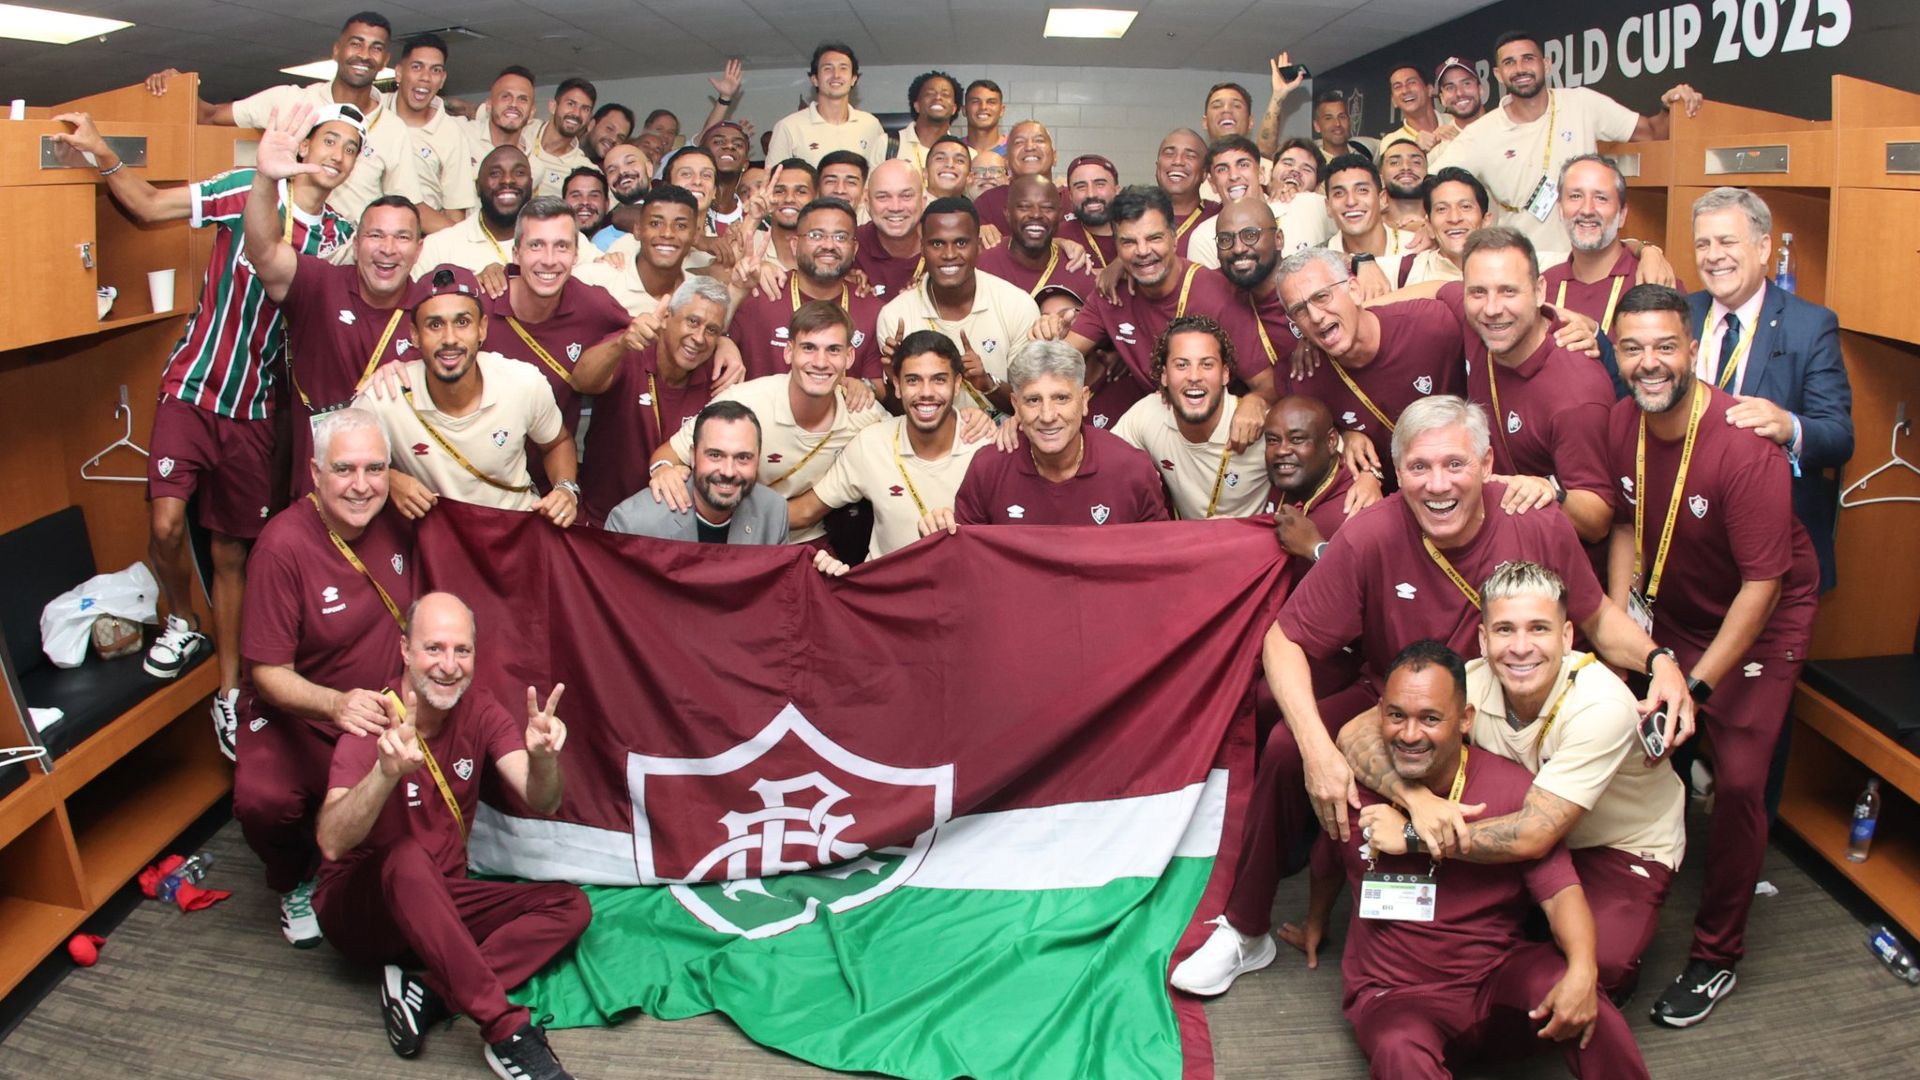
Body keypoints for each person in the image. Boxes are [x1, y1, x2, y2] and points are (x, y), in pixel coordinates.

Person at [1176, 396, 1691, 998]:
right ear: (1397, 474)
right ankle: (1245, 929)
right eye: (1419, 468)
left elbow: (1596, 616)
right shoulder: (1370, 533)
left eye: (1455, 464)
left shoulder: (1534, 520)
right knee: (1291, 747)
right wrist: (1319, 753)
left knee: (1591, 942)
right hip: (1394, 702)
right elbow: (1283, 642)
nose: (1437, 484)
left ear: (1487, 464)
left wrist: (1661, 662)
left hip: (1490, 710)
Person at [50, 104, 360, 756]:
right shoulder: (239, 188)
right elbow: (144, 205)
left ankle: (227, 696)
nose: (337, 154)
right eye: (329, 139)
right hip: (189, 390)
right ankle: (184, 619)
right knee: (165, 525)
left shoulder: (340, 236)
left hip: (256, 411)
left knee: (230, 554)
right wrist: (102, 146)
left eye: (351, 148)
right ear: (304, 145)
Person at [1605, 283, 1820, 1029]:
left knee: (1736, 781)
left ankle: (1716, 955)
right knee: (1625, 746)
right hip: (1676, 611)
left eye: (1665, 345)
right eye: (1632, 348)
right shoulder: (1620, 423)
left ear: (1693, 350)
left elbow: (1764, 584)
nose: (1649, 362)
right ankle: (1613, 927)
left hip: (1762, 621)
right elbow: (1628, 523)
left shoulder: (1740, 446)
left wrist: (1692, 683)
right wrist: (1626, 624)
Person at [1337, 561, 1687, 999]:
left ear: (1566, 636)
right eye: (1504, 630)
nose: (1521, 648)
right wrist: (1415, 798)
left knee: (1603, 965)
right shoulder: (1472, 680)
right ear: (1483, 639)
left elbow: (1533, 835)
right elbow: (1355, 732)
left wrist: (1412, 834)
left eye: (1539, 629)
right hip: (1526, 832)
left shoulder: (1601, 705)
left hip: (1617, 841)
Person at [1328, 642, 1652, 1080]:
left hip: (1496, 975)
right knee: (1398, 1050)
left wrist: (1582, 968)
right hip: (1398, 994)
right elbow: (1329, 854)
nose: (1409, 734)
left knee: (1583, 993)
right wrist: (1315, 919)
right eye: (1396, 715)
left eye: (1430, 718)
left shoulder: (1511, 786)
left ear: (1464, 721)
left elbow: (1561, 894)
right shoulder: (1356, 789)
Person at [312, 591, 587, 1080]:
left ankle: (433, 992)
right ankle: (505, 1032)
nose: (448, 665)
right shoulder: (374, 720)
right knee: (407, 858)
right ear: (404, 651)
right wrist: (384, 773)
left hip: (439, 908)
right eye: (433, 649)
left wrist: (546, 760)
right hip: (364, 912)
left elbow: (540, 798)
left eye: (462, 651)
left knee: (570, 906)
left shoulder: (479, 710)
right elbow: (331, 842)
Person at [239, 408, 414, 948]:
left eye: (375, 469)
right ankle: (293, 879)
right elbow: (268, 672)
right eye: (344, 470)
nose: (361, 487)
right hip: (308, 714)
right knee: (263, 802)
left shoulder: (400, 517)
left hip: (383, 715)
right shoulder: (282, 545)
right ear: (314, 473)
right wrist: (335, 705)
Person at [242, 109, 425, 492]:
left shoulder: (432, 312)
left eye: (402, 238)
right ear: (356, 244)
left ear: (419, 249)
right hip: (317, 484)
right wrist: (265, 179)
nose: (388, 250)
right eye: (375, 236)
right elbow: (264, 253)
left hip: (400, 490)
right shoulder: (320, 284)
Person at [1685, 187, 1853, 590]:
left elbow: (1839, 437)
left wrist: (1788, 425)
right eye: (1703, 244)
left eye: (1727, 241)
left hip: (1770, 544)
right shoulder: (1678, 313)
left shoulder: (1810, 326)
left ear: (1763, 249)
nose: (1713, 255)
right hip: (1686, 536)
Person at [146, 12, 434, 228]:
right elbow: (208, 115)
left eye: (375, 48)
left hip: (346, 260)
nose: (364, 55)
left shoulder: (394, 128)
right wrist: (176, 86)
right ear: (336, 50)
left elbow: (407, 207)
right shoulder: (288, 100)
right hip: (280, 245)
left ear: (385, 60)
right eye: (356, 44)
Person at [1045, 186, 1276, 441]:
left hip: (1219, 433)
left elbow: (1267, 386)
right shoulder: (1110, 293)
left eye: (1154, 238)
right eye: (1129, 242)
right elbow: (1059, 359)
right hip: (1159, 426)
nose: (1142, 251)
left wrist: (1255, 401)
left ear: (1174, 238)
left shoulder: (1218, 295)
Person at [352, 266, 578, 526]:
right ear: (414, 334)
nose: (450, 338)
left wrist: (566, 489)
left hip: (515, 532)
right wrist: (387, 479)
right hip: (438, 543)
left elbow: (558, 443)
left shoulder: (523, 382)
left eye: (462, 322)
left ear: (482, 329)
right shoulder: (384, 397)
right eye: (434, 325)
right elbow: (339, 464)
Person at [1431, 31, 1702, 248]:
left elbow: (1652, 132)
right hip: (1520, 269)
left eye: (1528, 58)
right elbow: (1433, 182)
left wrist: (1672, 106)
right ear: (1499, 74)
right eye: (1509, 63)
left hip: (1582, 264)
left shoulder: (1582, 103)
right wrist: (1422, 223)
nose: (1520, 68)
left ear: (1546, 64)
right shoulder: (1482, 132)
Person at [652, 302, 889, 547]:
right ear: (788, 351)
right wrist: (662, 470)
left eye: (833, 350)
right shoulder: (744, 402)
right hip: (730, 534)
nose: (820, 362)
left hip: (803, 540)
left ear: (849, 357)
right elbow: (667, 454)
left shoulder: (864, 413)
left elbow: (908, 442)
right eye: (808, 348)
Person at [1450, 227, 1616, 546]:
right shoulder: (1479, 325)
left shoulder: (1577, 393)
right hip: (1494, 542)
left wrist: (1548, 491)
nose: (1492, 308)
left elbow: (1597, 520)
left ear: (1540, 292)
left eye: (1509, 291)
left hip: (1551, 570)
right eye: (1478, 292)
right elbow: (1437, 290)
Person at [472, 197, 634, 495]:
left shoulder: (593, 304)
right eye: (536, 245)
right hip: (473, 483)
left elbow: (639, 332)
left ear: (575, 255)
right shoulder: (479, 302)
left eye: (561, 246)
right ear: (516, 253)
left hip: (549, 484)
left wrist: (725, 347)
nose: (549, 259)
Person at [789, 331, 989, 558]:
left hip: (961, 588)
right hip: (885, 589)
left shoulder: (986, 446)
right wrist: (744, 511)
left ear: (957, 384)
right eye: (913, 380)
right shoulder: (872, 443)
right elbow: (806, 510)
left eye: (939, 380)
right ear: (897, 385)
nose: (926, 393)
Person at [1276, 247, 1466, 473]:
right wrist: (1346, 437)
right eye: (1299, 310)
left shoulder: (1432, 325)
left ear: (1354, 290)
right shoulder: (1307, 381)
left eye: (1322, 297)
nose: (1316, 317)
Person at [952, 340, 1168, 526]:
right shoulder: (987, 469)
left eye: (1061, 398)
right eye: (1033, 400)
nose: (1047, 415)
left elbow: (1158, 559)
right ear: (1016, 406)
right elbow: (966, 557)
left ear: (1084, 401)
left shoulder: (1132, 468)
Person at [578, 277, 729, 517]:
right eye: (692, 322)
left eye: (711, 330)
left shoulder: (719, 376)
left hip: (671, 531)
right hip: (602, 521)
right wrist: (620, 344)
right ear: (667, 317)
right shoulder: (631, 345)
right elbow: (582, 381)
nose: (699, 338)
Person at [877, 197, 1041, 414]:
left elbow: (1033, 405)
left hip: (1003, 441)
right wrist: (895, 380)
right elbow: (899, 415)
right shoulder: (895, 315)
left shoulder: (1017, 305)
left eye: (961, 243)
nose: (949, 255)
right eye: (937, 243)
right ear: (922, 246)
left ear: (978, 244)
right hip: (928, 445)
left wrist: (985, 383)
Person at [1112, 316, 1271, 519]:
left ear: (1225, 374)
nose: (1194, 376)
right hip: (1188, 545)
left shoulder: (1257, 425)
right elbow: (1106, 464)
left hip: (1251, 547)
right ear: (1164, 376)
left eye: (1206, 364)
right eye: (1181, 365)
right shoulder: (1148, 413)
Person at [729, 197, 885, 382]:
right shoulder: (759, 294)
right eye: (816, 235)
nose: (828, 245)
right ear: (794, 245)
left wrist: (859, 387)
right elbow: (709, 341)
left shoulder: (873, 309)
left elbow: (879, 387)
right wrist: (736, 292)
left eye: (841, 237)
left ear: (855, 248)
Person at [606, 400, 786, 543]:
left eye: (743, 458)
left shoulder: (774, 512)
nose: (728, 472)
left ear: (759, 459)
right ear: (692, 456)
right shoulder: (632, 523)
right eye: (715, 455)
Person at [1189, 136, 1331, 269]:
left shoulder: (1308, 205)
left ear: (1261, 174)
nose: (1234, 176)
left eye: (1243, 165)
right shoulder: (1203, 237)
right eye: (1222, 169)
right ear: (1212, 183)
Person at [388, 33, 475, 226]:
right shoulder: (376, 112)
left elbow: (456, 216)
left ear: (442, 79)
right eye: (417, 67)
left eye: (435, 70)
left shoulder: (452, 134)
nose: (426, 77)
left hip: (423, 240)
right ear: (400, 73)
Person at [573, 184, 700, 317]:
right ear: (638, 230)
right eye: (655, 223)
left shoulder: (701, 298)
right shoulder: (592, 280)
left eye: (681, 226)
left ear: (695, 236)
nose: (667, 233)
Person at [974, 175, 1099, 300]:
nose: (1036, 214)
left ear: (1059, 215)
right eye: (1024, 207)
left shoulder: (1077, 269)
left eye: (1047, 208)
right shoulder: (981, 265)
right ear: (1007, 214)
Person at [413, 145, 530, 277]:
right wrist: (470, 285)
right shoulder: (438, 246)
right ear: (477, 187)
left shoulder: (551, 245)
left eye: (519, 173)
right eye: (495, 173)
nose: (508, 180)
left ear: (531, 184)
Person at [765, 42, 886, 170]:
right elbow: (773, 181)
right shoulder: (788, 127)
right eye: (828, 68)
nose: (836, 75)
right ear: (815, 79)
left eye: (843, 68)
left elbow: (882, 177)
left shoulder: (871, 124)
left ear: (853, 79)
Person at [854, 159, 927, 298]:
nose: (896, 207)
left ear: (923, 202)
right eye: (883, 197)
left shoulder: (944, 247)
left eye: (906, 196)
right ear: (867, 203)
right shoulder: (851, 247)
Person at [1323, 154, 1419, 261]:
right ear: (1328, 207)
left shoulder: (1417, 249)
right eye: (1339, 193)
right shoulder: (1317, 262)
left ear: (1382, 199)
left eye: (1362, 190)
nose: (1351, 201)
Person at [972, 120, 1056, 232]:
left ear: (1055, 157)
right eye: (1019, 142)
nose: (1030, 147)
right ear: (1006, 161)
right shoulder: (987, 203)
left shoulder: (1071, 198)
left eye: (1039, 140)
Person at [1154, 129, 1219, 257]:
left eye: (1190, 156)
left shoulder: (1220, 216)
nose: (1178, 161)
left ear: (1204, 173)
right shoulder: (1136, 216)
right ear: (1157, 168)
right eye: (1169, 153)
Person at [1059, 154, 1121, 268]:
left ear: (1117, 190)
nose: (1091, 194)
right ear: (1070, 195)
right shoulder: (1058, 235)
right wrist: (1057, 242)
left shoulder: (1139, 231)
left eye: (1100, 184)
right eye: (1081, 186)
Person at [895, 70, 961, 171]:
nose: (938, 98)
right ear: (916, 106)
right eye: (930, 93)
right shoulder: (887, 144)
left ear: (954, 109)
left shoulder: (967, 153)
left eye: (945, 95)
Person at [1254, 50, 1311, 159]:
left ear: (1250, 121)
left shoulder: (1252, 159)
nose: (1226, 110)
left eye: (1237, 105)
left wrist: (1277, 96)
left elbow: (1264, 152)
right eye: (1216, 105)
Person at [1428, 56, 1488, 150]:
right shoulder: (1439, 148)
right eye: (1450, 87)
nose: (1459, 93)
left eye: (1466, 83)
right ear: (1442, 99)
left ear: (1480, 89)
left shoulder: (1505, 125)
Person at [1380, 64, 1443, 150]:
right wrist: (1416, 149)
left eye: (1411, 82)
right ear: (1394, 101)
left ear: (1429, 90)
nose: (1405, 90)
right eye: (1397, 87)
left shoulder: (1455, 123)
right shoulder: (1391, 143)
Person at [1378, 134, 1430, 232]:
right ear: (1381, 178)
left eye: (1416, 162)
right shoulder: (1367, 228)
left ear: (1427, 174)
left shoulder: (1446, 223)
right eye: (1394, 162)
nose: (1406, 167)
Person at [1312, 88, 1377, 163]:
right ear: (1317, 126)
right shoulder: (1313, 163)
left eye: (1342, 117)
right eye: (1328, 118)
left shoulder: (1364, 151)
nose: (1337, 124)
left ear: (1349, 120)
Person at [561, 167, 613, 250]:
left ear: (607, 205)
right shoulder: (548, 243)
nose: (585, 202)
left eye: (594, 195)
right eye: (576, 195)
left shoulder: (621, 243)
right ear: (563, 204)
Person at [963, 79, 1007, 156]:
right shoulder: (954, 149)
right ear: (964, 110)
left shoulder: (1015, 149)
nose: (983, 107)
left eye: (991, 102)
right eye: (975, 101)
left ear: (1001, 110)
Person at [924, 134, 973, 200]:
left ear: (969, 177)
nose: (949, 164)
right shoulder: (909, 207)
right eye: (940, 158)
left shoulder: (978, 209)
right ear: (925, 172)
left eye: (959, 160)